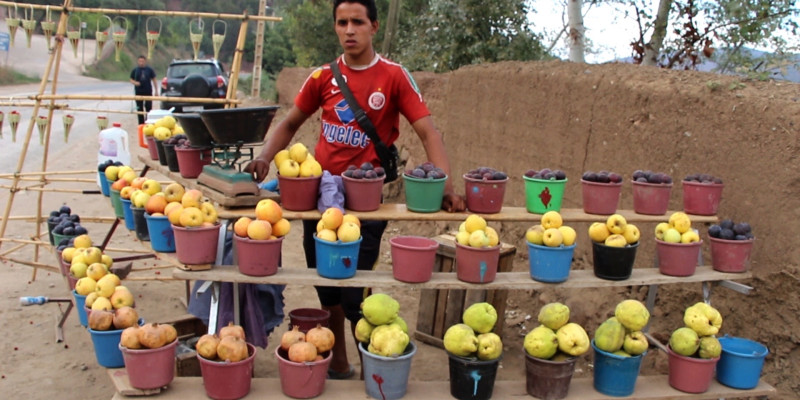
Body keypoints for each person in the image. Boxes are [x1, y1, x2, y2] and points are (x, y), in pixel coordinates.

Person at [245, 0, 466, 379]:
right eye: (342, 22)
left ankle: (373, 371)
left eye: (357, 22)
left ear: (374, 26)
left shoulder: (394, 76)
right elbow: (290, 123)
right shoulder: (321, 78)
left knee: (355, 295)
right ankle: (340, 366)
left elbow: (429, 132)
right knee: (325, 288)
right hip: (320, 202)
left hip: (367, 204)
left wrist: (443, 184)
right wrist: (265, 156)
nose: (349, 30)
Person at [130, 55, 158, 125]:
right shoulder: (135, 70)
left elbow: (154, 79)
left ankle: (148, 122)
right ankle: (141, 124)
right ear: (138, 61)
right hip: (138, 92)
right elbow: (131, 79)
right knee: (139, 109)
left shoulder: (149, 70)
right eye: (140, 61)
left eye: (142, 61)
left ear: (145, 61)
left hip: (148, 91)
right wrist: (135, 83)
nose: (141, 63)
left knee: (148, 108)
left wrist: (156, 91)